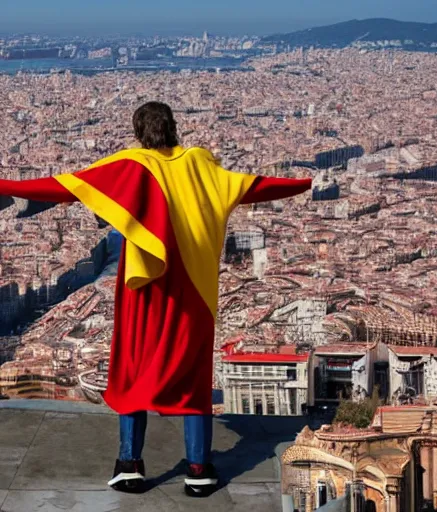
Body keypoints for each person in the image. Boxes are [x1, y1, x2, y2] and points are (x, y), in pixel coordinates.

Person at [0, 101, 312, 497]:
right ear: (174, 129)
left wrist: (4, 185)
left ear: (137, 132)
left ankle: (130, 466)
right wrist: (304, 183)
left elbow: (62, 187)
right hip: (194, 291)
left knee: (132, 370)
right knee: (192, 377)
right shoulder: (200, 164)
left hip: (144, 290)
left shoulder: (131, 166)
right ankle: (199, 469)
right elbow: (253, 187)